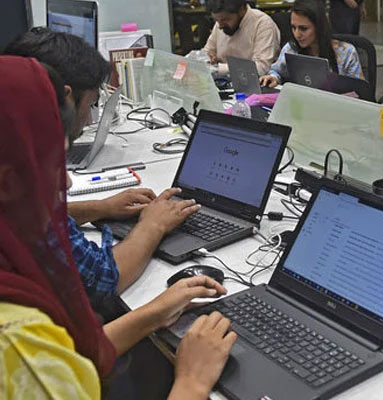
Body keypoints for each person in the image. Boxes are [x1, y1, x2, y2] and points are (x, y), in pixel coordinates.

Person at [0, 55, 236, 400]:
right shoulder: (18, 348)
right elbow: (48, 359)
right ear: (8, 183)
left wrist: (154, 313)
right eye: (52, 162)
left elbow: (73, 356)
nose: (65, 182)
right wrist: (191, 383)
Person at [4, 30, 201, 307]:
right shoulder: (18, 164)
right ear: (65, 98)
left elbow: (17, 216)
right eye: (92, 105)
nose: (87, 120)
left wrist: (100, 207)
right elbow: (100, 279)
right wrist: (153, 225)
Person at [259, 0, 364, 88]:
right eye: (293, 27)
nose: (297, 34)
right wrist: (273, 77)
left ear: (319, 27)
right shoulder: (291, 48)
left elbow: (359, 91)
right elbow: (277, 71)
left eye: (303, 29)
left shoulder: (346, 53)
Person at [202, 0, 281, 76]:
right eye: (216, 20)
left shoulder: (263, 24)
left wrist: (217, 68)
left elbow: (262, 68)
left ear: (242, 10)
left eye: (225, 19)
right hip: (223, 80)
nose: (220, 26)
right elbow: (207, 52)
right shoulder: (221, 22)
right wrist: (208, 58)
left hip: (253, 83)